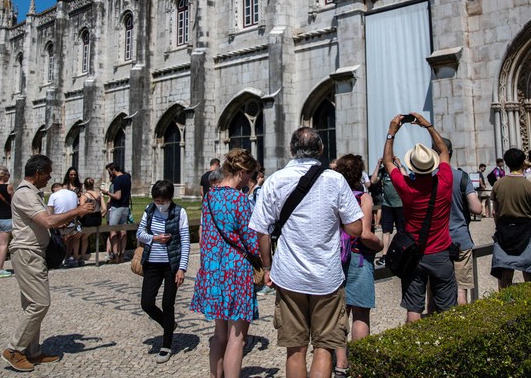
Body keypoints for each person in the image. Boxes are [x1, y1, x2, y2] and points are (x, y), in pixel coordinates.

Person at [249, 128, 363, 378]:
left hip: (289, 276)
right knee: (323, 347)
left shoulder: (275, 180)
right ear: (321, 149)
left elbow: (262, 231)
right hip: (327, 277)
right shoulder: (334, 180)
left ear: (291, 150)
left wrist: (267, 268)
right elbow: (356, 227)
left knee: (295, 350)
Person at [2, 154, 94, 372]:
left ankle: (32, 351)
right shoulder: (25, 194)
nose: (50, 176)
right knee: (40, 303)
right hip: (27, 252)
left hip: (34, 252)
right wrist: (79, 211)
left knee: (31, 304)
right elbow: (48, 220)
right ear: (37, 172)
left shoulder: (32, 193)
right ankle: (14, 349)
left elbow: (44, 224)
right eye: (47, 172)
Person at [192, 148, 261, 378]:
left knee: (219, 334)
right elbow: (252, 242)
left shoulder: (210, 197)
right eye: (250, 174)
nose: (250, 179)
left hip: (211, 271)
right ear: (241, 172)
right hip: (235, 273)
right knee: (237, 338)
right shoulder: (240, 201)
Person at [382, 113, 458, 322]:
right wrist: (428, 126)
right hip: (440, 252)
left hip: (414, 254)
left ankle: (413, 349)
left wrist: (391, 132)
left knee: (414, 308)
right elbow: (443, 150)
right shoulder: (444, 181)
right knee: (447, 309)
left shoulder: (406, 188)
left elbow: (388, 161)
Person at [333, 154, 383, 376]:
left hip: (336, 260)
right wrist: (380, 243)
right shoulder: (364, 198)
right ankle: (361, 363)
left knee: (340, 314)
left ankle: (341, 365)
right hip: (359, 257)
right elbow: (364, 234)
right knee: (361, 314)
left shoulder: (333, 196)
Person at [138, 180, 190, 363]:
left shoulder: (179, 212)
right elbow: (139, 234)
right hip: (152, 263)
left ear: (170, 199)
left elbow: (185, 241)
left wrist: (182, 268)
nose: (160, 204)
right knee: (146, 302)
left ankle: (166, 344)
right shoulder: (149, 209)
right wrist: (154, 238)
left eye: (163, 201)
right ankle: (169, 324)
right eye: (157, 201)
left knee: (168, 303)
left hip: (171, 265)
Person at [491, 148, 531, 289]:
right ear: (523, 163)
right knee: (529, 270)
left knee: (506, 270)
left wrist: (499, 227)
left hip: (504, 231)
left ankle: (506, 303)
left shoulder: (498, 184)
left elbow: (494, 212)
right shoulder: (529, 186)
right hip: (526, 231)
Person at [447, 145, 482, 304]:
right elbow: (476, 209)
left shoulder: (427, 177)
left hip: (436, 240)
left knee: (434, 288)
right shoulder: (461, 177)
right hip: (460, 238)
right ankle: (462, 323)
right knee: (461, 287)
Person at [372, 157, 404, 268]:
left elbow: (406, 177)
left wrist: (399, 164)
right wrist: (378, 165)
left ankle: (401, 253)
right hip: (387, 205)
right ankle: (385, 255)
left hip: (400, 205)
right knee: (386, 231)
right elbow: (373, 180)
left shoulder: (398, 169)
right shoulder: (382, 171)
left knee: (401, 231)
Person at [103, 162, 132, 263]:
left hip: (117, 207)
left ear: (113, 170)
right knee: (123, 231)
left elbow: (117, 196)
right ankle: (122, 255)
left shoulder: (118, 180)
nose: (109, 174)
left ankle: (115, 256)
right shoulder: (127, 177)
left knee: (113, 231)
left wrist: (106, 193)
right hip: (126, 207)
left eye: (109, 171)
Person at [47, 182, 81, 267]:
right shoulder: (73, 194)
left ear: (54, 188)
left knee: (59, 240)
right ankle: (68, 257)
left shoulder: (53, 195)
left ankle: (60, 258)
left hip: (59, 224)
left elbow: (49, 213)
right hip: (72, 223)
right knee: (70, 239)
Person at [78, 177, 106, 261]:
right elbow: (104, 209)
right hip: (97, 220)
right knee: (85, 237)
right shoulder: (99, 195)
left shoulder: (84, 195)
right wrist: (98, 214)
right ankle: (83, 255)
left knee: (81, 237)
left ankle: (82, 255)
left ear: (85, 186)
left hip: (88, 219)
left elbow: (82, 209)